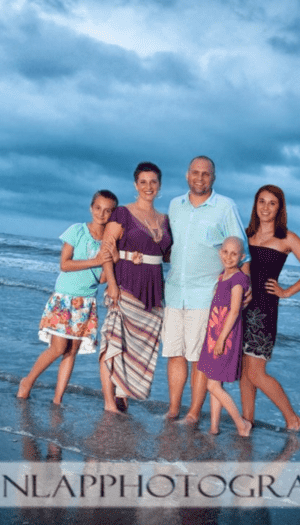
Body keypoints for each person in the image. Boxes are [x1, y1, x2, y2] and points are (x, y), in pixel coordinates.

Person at [163, 156, 250, 423]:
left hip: (207, 295)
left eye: (206, 174)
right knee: (174, 353)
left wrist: (245, 288)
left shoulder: (225, 207)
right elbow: (171, 247)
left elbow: (241, 252)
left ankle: (192, 415)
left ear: (214, 177)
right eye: (195, 173)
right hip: (175, 291)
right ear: (187, 175)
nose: (200, 178)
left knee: (198, 358)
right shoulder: (174, 205)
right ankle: (174, 410)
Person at [17, 190, 118, 404]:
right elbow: (64, 264)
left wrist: (114, 261)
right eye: (98, 208)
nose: (102, 214)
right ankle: (27, 381)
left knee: (72, 351)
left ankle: (57, 399)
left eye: (108, 211)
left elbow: (100, 279)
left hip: (87, 301)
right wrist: (95, 260)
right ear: (91, 208)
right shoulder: (77, 230)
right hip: (65, 298)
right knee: (58, 348)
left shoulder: (109, 242)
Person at [239, 184, 300, 431]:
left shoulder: (287, 238)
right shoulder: (245, 235)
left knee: (256, 372)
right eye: (261, 201)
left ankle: (292, 418)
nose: (266, 207)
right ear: (255, 205)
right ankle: (247, 422)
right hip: (241, 308)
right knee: (245, 371)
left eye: (272, 203)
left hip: (264, 311)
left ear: (280, 208)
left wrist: (286, 292)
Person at [99, 162, 173, 413]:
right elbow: (106, 248)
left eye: (153, 182)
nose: (148, 187)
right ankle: (110, 403)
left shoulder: (165, 219)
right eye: (143, 182)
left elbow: (170, 256)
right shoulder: (123, 213)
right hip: (125, 284)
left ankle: (123, 396)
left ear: (160, 185)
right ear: (135, 185)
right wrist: (111, 284)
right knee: (113, 341)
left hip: (153, 290)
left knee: (139, 348)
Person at [196, 237, 253, 436]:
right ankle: (214, 427)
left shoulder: (238, 280)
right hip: (214, 336)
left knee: (212, 385)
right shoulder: (222, 276)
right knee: (214, 382)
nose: (229, 257)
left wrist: (220, 339)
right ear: (221, 253)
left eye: (234, 253)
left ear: (242, 256)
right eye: (226, 252)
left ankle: (241, 424)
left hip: (225, 339)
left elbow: (235, 311)